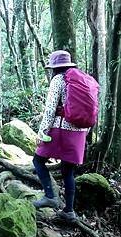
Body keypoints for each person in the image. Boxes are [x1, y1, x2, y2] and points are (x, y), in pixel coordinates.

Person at [33, 50, 89, 221]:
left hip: (61, 129)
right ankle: (69, 211)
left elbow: (50, 110)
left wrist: (42, 132)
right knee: (68, 171)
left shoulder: (58, 80)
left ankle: (50, 196)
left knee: (38, 160)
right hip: (80, 131)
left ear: (54, 68)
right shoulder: (82, 79)